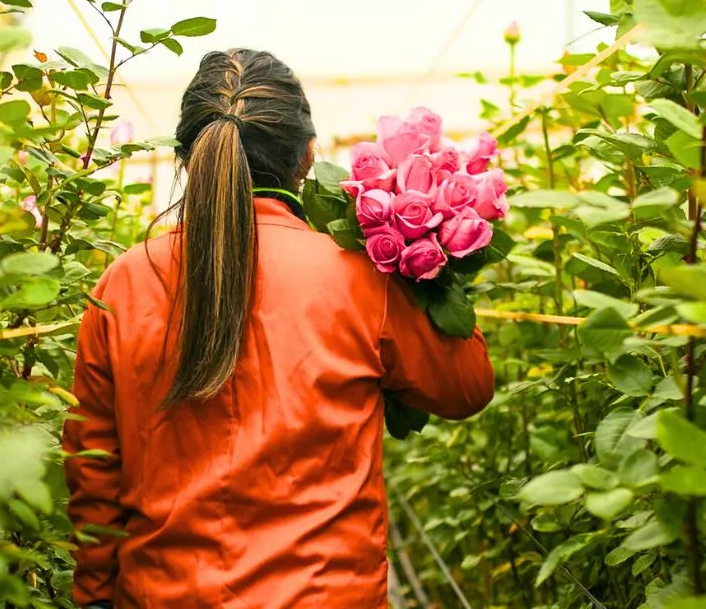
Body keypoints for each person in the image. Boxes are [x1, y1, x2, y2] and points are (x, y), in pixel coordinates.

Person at [63, 49, 495, 609]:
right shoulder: (361, 279)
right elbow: (465, 389)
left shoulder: (123, 283)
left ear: (187, 160)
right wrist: (431, 262)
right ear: (308, 156)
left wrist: (96, 593)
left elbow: (93, 462)